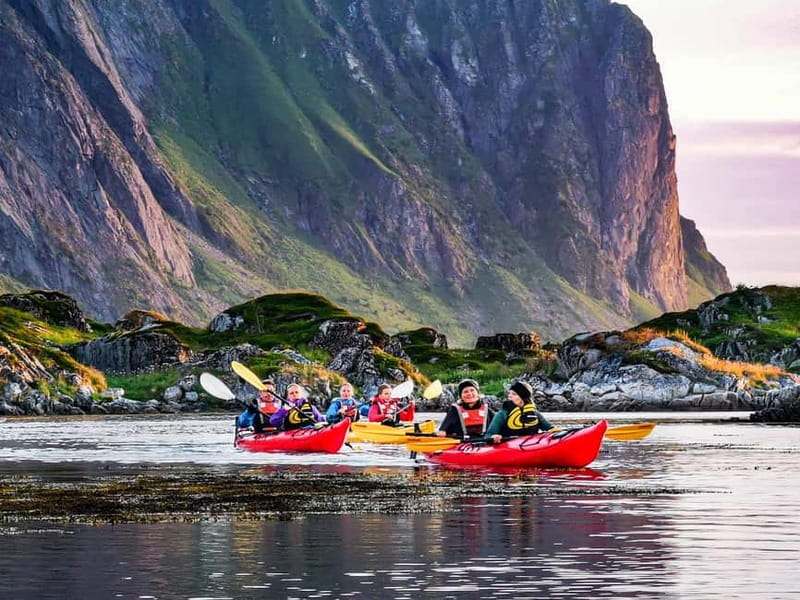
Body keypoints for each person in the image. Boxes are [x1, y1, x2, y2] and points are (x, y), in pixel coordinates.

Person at [484, 381, 553, 444]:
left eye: (514, 394)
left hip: (531, 446)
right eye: (509, 393)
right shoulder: (502, 414)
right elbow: (488, 435)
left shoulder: (535, 413)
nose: (509, 396)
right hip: (508, 449)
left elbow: (551, 429)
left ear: (523, 397)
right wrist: (493, 437)